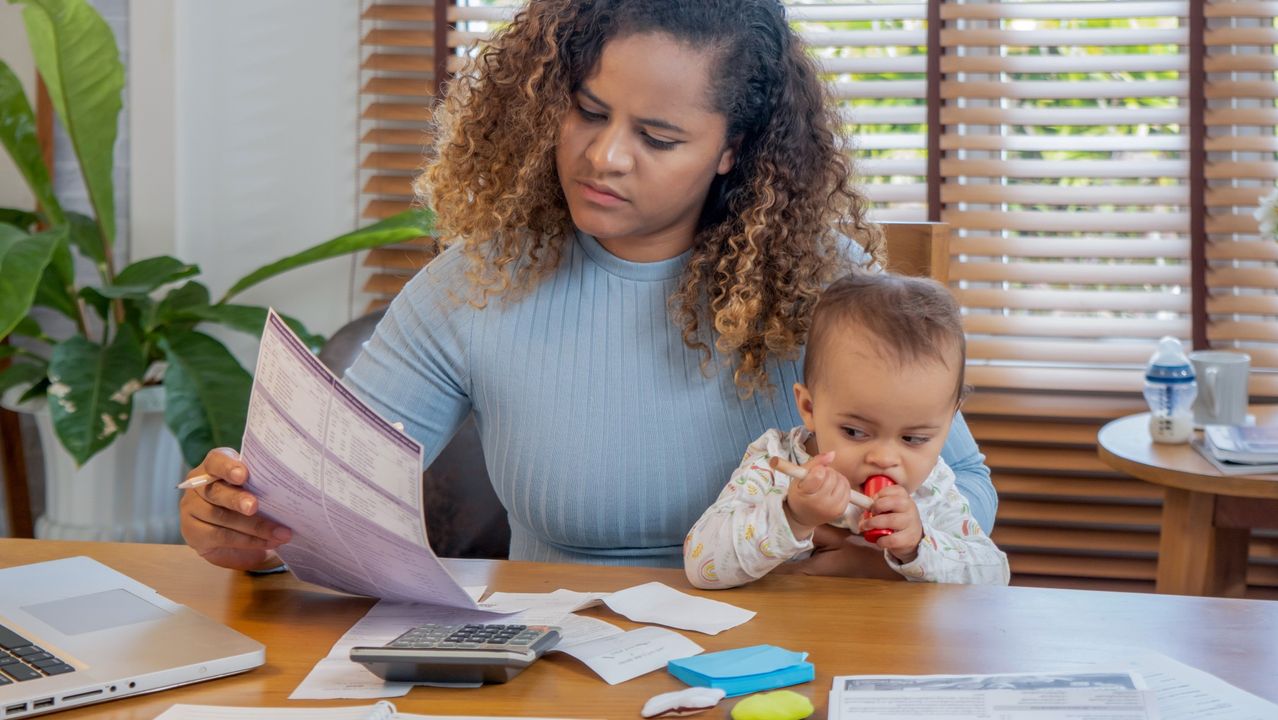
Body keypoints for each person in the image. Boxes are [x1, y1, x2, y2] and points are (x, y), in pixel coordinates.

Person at [178, 0, 997, 575]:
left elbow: (970, 498)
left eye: (658, 136)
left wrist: (882, 550)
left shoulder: (829, 281)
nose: (604, 156)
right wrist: (239, 521)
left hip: (792, 649)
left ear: (732, 149)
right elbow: (316, 498)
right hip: (564, 666)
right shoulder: (476, 282)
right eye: (587, 111)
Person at [684, 272, 1010, 588]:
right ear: (809, 408)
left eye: (913, 439)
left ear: (950, 423)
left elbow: (994, 575)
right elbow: (702, 567)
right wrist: (793, 516)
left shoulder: (932, 488)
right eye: (855, 432)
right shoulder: (775, 465)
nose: (883, 458)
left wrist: (918, 544)